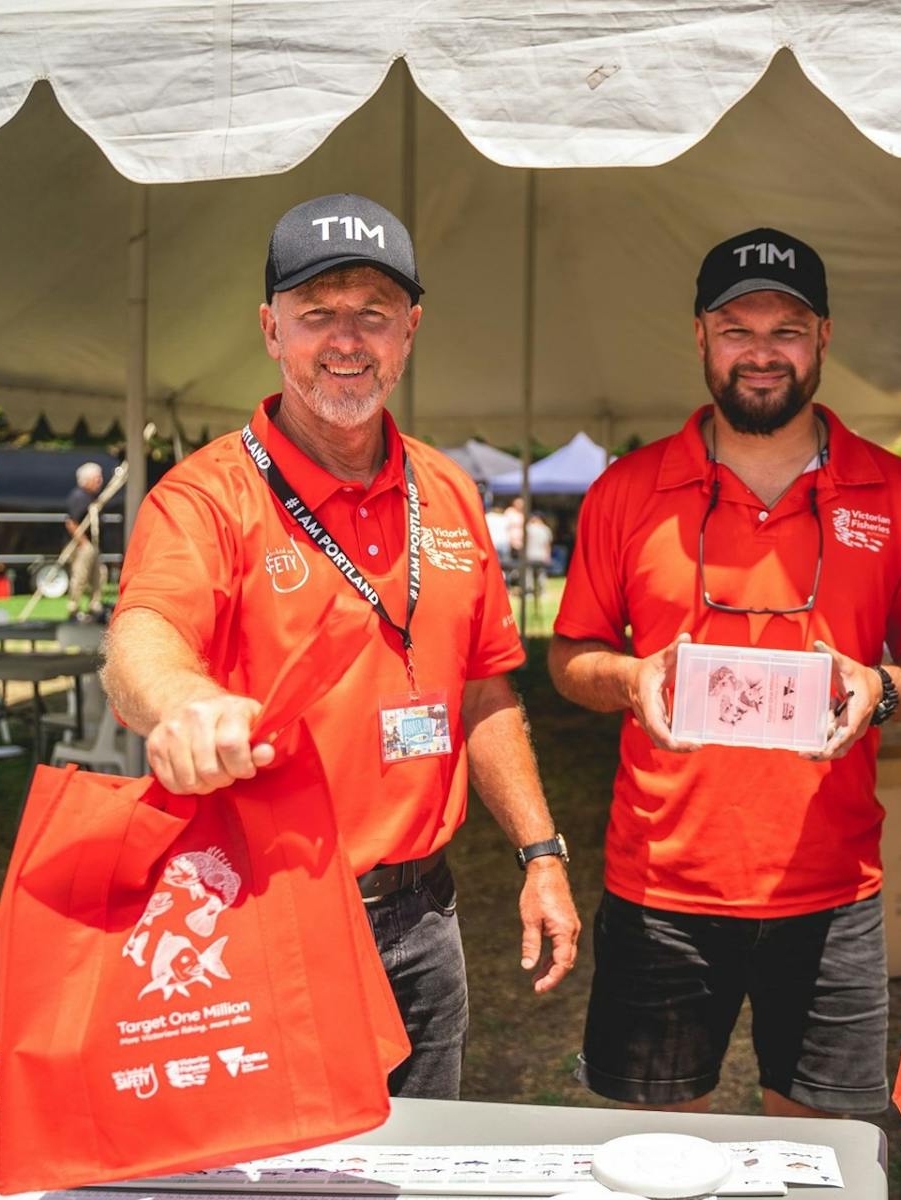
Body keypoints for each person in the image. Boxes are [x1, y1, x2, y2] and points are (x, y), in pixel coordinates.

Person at [101, 192, 581, 1099]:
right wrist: (182, 702)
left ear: (410, 331)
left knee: (418, 1169)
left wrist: (541, 851)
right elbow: (144, 634)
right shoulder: (207, 497)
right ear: (271, 330)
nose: (346, 339)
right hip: (264, 913)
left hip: (426, 918)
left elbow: (483, 690)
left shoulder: (449, 491)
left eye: (373, 313)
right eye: (317, 313)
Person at [548, 227, 901, 1117]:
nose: (762, 352)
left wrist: (882, 687)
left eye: (787, 328)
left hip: (833, 887)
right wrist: (628, 680)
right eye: (738, 328)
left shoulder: (896, 494)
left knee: (822, 1155)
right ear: (700, 337)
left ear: (824, 339)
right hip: (662, 885)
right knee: (653, 1157)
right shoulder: (627, 490)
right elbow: (568, 657)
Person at [65, 462, 105, 620]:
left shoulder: (92, 498)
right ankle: (74, 607)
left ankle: (95, 605)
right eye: (96, 478)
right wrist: (83, 543)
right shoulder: (78, 497)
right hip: (83, 545)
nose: (100, 481)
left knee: (99, 574)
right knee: (80, 576)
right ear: (86, 480)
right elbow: (71, 522)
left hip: (93, 544)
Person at [523, 511, 553, 603]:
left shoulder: (528, 528)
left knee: (528, 574)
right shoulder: (546, 529)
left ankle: (529, 593)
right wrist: (548, 555)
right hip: (541, 555)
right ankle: (542, 592)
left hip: (529, 554)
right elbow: (547, 544)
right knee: (541, 574)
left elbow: (524, 542)